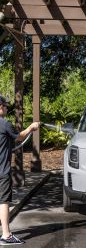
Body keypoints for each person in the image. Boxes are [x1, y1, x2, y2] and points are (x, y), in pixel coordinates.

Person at [0, 95, 40, 245]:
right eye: (5, 105)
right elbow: (19, 137)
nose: (6, 108)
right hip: (2, 171)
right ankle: (6, 236)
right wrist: (31, 127)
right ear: (0, 106)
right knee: (3, 201)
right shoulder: (4, 124)